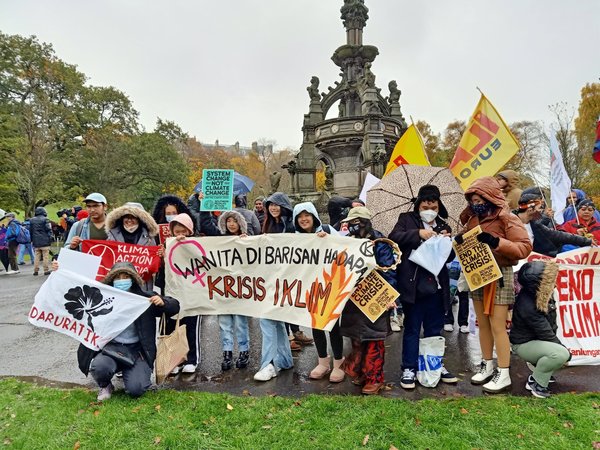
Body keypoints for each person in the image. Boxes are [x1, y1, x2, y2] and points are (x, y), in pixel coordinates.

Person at [457, 176, 532, 393]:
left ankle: (504, 371)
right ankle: (487, 364)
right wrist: (461, 240)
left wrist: (497, 242)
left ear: (490, 197)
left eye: (479, 198)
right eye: (472, 199)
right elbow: (468, 240)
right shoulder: (472, 218)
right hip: (478, 274)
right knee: (482, 323)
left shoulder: (507, 218)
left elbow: (524, 248)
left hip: (499, 275)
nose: (476, 203)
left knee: (498, 325)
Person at [76, 261, 180, 401]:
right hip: (111, 348)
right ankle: (105, 385)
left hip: (138, 351)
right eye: (118, 277)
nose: (121, 280)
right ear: (112, 280)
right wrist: (59, 270)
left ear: (133, 279)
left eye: (126, 277)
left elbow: (175, 307)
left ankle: (132, 373)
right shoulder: (103, 300)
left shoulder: (145, 299)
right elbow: (77, 289)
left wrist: (163, 302)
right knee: (99, 367)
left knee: (136, 389)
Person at [389, 184, 458, 389]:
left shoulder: (444, 226)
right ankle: (409, 368)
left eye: (434, 206)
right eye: (426, 205)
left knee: (434, 329)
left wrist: (447, 242)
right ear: (418, 205)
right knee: (412, 328)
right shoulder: (406, 219)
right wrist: (418, 233)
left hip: (436, 286)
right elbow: (394, 238)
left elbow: (450, 257)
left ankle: (435, 364)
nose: (430, 210)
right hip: (413, 285)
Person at [339, 206, 398, 395]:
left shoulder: (380, 242)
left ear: (365, 222)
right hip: (353, 298)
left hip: (375, 296)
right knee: (357, 338)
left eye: (356, 222)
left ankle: (375, 379)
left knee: (374, 339)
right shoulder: (347, 242)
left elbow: (389, 270)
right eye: (350, 223)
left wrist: (388, 297)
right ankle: (362, 373)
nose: (353, 226)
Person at [292, 202, 345, 382]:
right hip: (311, 287)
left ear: (313, 216)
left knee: (333, 326)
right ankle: (323, 361)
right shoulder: (294, 238)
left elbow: (345, 248)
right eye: (299, 217)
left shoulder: (328, 230)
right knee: (316, 325)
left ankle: (339, 363)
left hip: (331, 285)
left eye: (306, 215)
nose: (303, 219)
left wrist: (329, 240)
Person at [510, 261, 570, 398]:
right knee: (560, 354)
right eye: (548, 280)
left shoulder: (539, 294)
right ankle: (536, 383)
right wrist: (565, 352)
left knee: (559, 352)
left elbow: (550, 328)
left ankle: (542, 373)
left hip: (533, 340)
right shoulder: (528, 304)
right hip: (522, 344)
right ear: (538, 284)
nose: (553, 282)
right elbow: (546, 333)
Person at [253, 192, 295, 382]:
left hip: (290, 280)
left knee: (267, 319)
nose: (273, 207)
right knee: (273, 320)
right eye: (270, 205)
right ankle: (284, 360)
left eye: (277, 204)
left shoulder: (292, 225)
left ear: (284, 206)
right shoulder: (268, 225)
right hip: (271, 280)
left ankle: (268, 364)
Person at [163, 213, 203, 374]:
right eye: (177, 231)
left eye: (183, 232)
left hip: (193, 294)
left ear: (190, 232)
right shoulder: (168, 245)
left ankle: (192, 359)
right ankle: (176, 360)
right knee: (173, 327)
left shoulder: (199, 244)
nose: (180, 235)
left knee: (191, 327)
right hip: (174, 293)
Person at [217, 211, 251, 370]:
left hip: (240, 289)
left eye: (234, 221)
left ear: (240, 224)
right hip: (222, 289)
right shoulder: (218, 241)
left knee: (240, 322)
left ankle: (244, 351)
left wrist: (248, 242)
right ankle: (227, 352)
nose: (231, 224)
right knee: (224, 323)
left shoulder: (247, 240)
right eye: (228, 221)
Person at [515, 188, 592, 256]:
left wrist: (586, 241)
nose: (542, 211)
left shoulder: (535, 225)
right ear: (530, 210)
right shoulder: (509, 222)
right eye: (540, 208)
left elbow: (557, 235)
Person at [105, 202, 160, 291]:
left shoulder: (149, 238)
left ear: (139, 219)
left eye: (133, 217)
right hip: (119, 282)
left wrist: (159, 255)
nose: (129, 220)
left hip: (143, 284)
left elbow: (153, 262)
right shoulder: (112, 236)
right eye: (127, 217)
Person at [29, 207, 53, 276]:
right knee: (45, 256)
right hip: (45, 240)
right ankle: (46, 270)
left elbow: (31, 231)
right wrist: (50, 238)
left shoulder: (32, 220)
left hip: (36, 241)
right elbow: (48, 229)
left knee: (37, 256)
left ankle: (35, 271)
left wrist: (31, 240)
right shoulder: (46, 219)